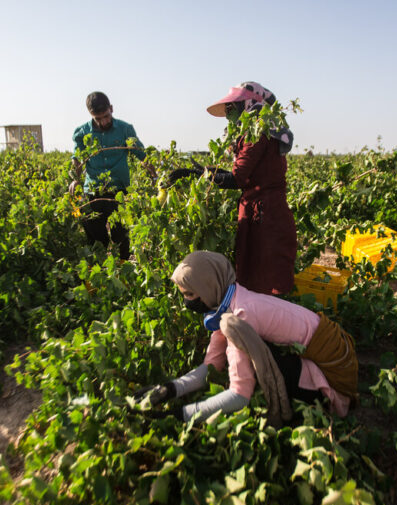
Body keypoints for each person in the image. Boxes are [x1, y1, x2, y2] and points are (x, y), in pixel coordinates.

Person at [132, 251, 358, 427]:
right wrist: (168, 389)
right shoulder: (229, 298)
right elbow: (212, 366)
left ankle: (311, 398)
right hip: (333, 352)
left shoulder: (239, 316)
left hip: (333, 373)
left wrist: (180, 415)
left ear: (208, 287)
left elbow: (240, 395)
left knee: (253, 362)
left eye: (190, 295)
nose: (187, 303)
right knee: (252, 354)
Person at [171, 82, 297, 296]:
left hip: (266, 217)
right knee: (257, 278)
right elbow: (241, 172)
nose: (230, 115)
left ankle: (268, 325)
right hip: (261, 213)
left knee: (266, 281)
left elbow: (236, 179)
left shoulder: (258, 133)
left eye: (232, 109)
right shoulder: (262, 131)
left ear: (248, 105)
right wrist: (207, 171)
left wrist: (199, 175)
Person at [71, 91, 148, 260]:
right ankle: (101, 277)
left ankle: (124, 272)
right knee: (96, 241)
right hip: (93, 193)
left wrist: (156, 177)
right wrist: (75, 180)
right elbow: (77, 159)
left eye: (106, 116)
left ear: (111, 109)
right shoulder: (82, 133)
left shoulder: (125, 129)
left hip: (118, 192)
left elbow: (142, 155)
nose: (103, 122)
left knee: (122, 238)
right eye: (98, 119)